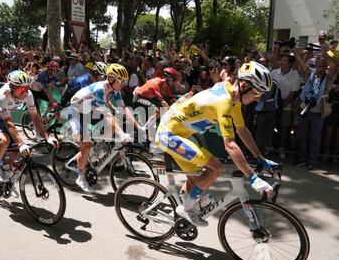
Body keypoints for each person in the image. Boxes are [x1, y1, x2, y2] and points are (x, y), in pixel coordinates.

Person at [156, 61, 276, 227]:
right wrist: (252, 177)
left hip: (179, 133)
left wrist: (260, 157)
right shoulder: (224, 102)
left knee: (198, 179)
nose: (258, 98)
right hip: (168, 135)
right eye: (257, 92)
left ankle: (183, 211)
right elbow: (230, 145)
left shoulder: (234, 98)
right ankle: (185, 208)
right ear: (243, 85)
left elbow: (242, 129)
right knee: (216, 168)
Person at [0, 70, 58, 196]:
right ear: (11, 86)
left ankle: (6, 178)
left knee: (16, 151)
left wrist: (46, 137)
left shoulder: (28, 94)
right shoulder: (2, 96)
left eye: (26, 89)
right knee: (4, 141)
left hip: (3, 118)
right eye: (19, 90)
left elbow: (35, 117)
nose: (23, 93)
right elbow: (9, 123)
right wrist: (21, 142)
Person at [67, 63, 140, 193]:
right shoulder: (100, 89)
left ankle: (96, 150)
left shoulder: (115, 91)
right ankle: (81, 177)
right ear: (111, 79)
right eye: (121, 81)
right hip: (76, 112)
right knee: (86, 145)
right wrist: (122, 134)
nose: (123, 84)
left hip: (90, 110)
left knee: (114, 122)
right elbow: (107, 115)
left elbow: (124, 110)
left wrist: (138, 127)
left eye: (125, 81)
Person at [293, 49, 337, 170]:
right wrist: (293, 48)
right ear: (315, 64)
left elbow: (334, 64)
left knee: (315, 139)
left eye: (323, 66)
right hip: (305, 109)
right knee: (303, 137)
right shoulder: (310, 73)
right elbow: (299, 59)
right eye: (318, 66)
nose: (320, 69)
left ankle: (313, 162)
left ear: (326, 66)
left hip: (318, 112)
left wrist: (325, 48)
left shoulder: (329, 77)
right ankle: (302, 159)